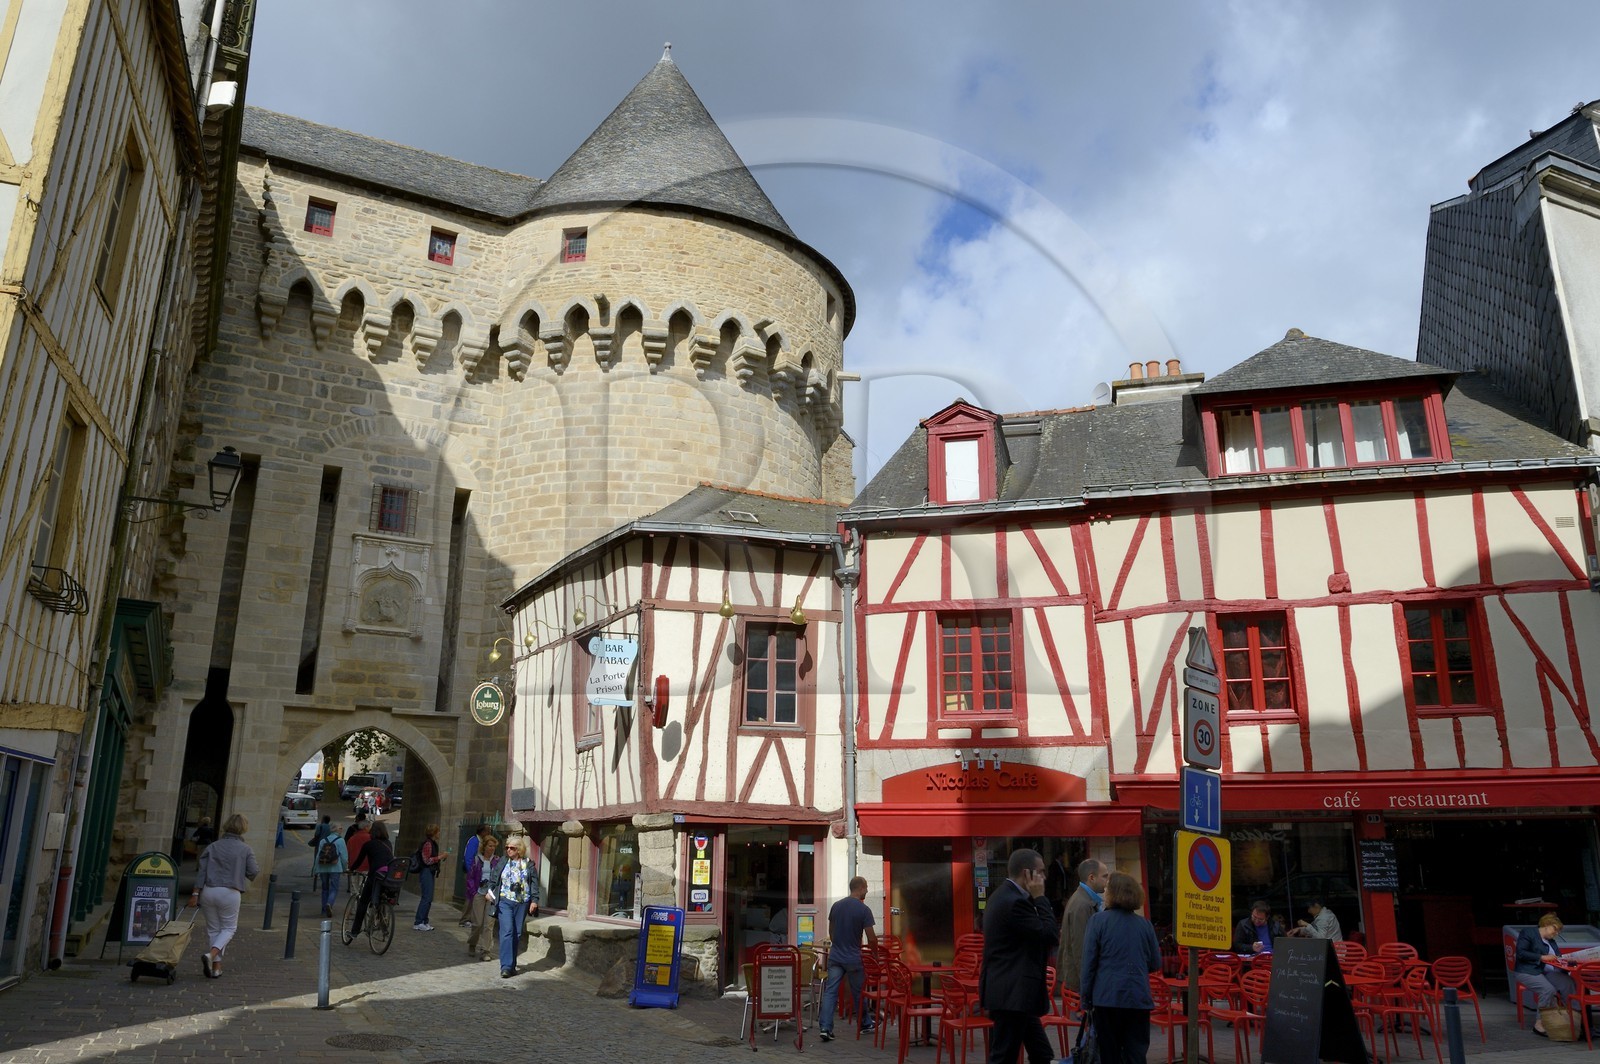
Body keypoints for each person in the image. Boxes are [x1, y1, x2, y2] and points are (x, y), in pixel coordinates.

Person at [980, 848, 1060, 1064]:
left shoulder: (1004, 895)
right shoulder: (1014, 902)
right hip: (1012, 994)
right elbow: (1049, 935)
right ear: (1027, 874)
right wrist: (1040, 898)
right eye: (1040, 872)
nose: (1044, 877)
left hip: (1016, 994)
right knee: (1004, 1055)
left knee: (1041, 1053)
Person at [1080, 871, 1162, 1064]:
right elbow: (1155, 963)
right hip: (1138, 997)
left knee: (1109, 1052)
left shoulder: (1098, 921)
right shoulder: (1145, 925)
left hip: (1107, 997)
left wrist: (1086, 999)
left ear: (1112, 893)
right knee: (1136, 1053)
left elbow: (1088, 964)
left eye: (1107, 888)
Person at [187, 812, 258, 979]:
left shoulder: (213, 846)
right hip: (230, 892)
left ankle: (216, 968)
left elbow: (201, 872)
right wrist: (240, 871)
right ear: (243, 828)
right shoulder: (245, 849)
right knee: (229, 928)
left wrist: (195, 893)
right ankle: (211, 955)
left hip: (209, 890)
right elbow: (253, 871)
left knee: (214, 929)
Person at [818, 875, 879, 1041]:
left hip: (836, 956)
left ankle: (825, 1027)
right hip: (853, 958)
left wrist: (837, 944)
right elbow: (872, 938)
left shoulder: (836, 906)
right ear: (860, 888)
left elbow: (831, 931)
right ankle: (865, 1023)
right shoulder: (864, 910)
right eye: (866, 887)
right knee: (858, 992)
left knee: (830, 991)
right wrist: (875, 955)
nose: (867, 890)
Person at [1514, 913, 1576, 1036]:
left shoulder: (1551, 941)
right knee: (1548, 990)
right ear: (1546, 925)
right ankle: (1539, 1024)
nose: (1556, 933)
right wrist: (1542, 957)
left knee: (1569, 983)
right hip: (1527, 970)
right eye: (1555, 929)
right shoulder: (1528, 933)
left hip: (1546, 972)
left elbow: (1558, 957)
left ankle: (1572, 1018)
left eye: (1558, 931)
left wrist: (1566, 960)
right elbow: (1521, 953)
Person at [488, 836, 540, 978]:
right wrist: (489, 891)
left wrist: (534, 900)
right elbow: (493, 878)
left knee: (516, 934)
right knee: (507, 932)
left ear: (519, 850)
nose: (509, 850)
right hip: (504, 901)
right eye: (507, 847)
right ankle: (505, 966)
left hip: (522, 902)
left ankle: (511, 965)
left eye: (512, 848)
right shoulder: (503, 861)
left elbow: (534, 883)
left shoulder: (528, 864)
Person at [1058, 858, 1110, 995]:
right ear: (1092, 878)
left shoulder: (1084, 900)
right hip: (1080, 984)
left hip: (1080, 980)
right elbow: (1081, 948)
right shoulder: (1082, 905)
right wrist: (1089, 985)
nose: (1107, 880)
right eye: (1104, 876)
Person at [347, 820, 394, 939]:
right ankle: (382, 922)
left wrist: (351, 869)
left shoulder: (369, 845)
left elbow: (359, 861)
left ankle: (354, 931)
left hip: (375, 876)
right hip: (388, 876)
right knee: (380, 897)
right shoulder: (388, 843)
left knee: (363, 902)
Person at [464, 834, 500, 960]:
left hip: (491, 894)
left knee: (488, 924)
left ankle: (486, 950)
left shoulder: (497, 861)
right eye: (490, 846)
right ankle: (472, 943)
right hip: (479, 892)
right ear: (484, 846)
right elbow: (470, 877)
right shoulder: (477, 860)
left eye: (494, 846)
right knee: (477, 923)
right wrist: (473, 892)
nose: (492, 848)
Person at [412, 823, 449, 931]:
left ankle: (424, 920)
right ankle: (419, 921)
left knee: (429, 897)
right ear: (434, 832)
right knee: (426, 897)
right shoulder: (428, 843)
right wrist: (440, 857)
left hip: (430, 871)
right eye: (438, 831)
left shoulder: (432, 843)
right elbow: (427, 860)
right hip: (426, 871)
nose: (439, 833)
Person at [311, 823, 348, 918]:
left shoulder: (323, 840)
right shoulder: (340, 841)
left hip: (323, 867)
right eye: (340, 828)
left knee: (324, 889)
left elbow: (318, 855)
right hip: (335, 867)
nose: (342, 829)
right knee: (334, 888)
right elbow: (344, 857)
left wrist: (315, 869)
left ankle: (324, 909)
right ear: (336, 830)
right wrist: (344, 869)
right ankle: (329, 903)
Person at [459, 824, 490, 926]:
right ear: (482, 832)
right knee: (470, 895)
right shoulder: (474, 841)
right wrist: (471, 874)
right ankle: (465, 919)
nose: (489, 832)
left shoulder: (481, 841)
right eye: (487, 830)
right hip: (473, 873)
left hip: (478, 873)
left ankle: (472, 918)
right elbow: (468, 858)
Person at [1044, 851, 1071, 921]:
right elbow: (1053, 879)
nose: (1063, 858)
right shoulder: (1054, 865)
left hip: (1062, 889)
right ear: (1059, 857)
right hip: (1056, 891)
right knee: (1056, 905)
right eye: (1062, 857)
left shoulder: (1062, 866)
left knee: (1060, 904)